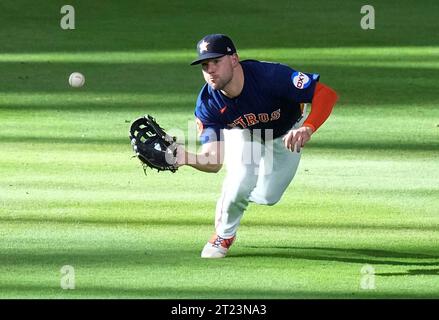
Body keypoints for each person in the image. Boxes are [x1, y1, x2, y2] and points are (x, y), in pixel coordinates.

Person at [175, 34, 338, 258]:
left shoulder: (270, 76)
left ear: (234, 59)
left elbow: (325, 93)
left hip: (287, 132)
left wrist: (308, 127)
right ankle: (224, 235)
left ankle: (237, 196)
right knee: (241, 179)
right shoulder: (208, 104)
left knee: (269, 196)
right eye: (205, 64)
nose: (210, 70)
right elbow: (213, 161)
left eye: (216, 61)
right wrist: (184, 157)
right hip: (246, 134)